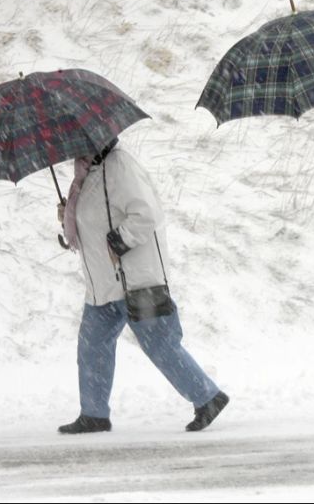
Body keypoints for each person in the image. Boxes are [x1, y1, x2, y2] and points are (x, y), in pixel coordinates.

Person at [57, 138, 228, 434]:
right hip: (102, 283)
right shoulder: (88, 173)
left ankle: (207, 397)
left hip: (137, 279)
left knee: (160, 344)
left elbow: (146, 214)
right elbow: (95, 218)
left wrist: (119, 240)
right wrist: (68, 216)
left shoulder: (120, 166)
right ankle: (94, 414)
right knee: (92, 346)